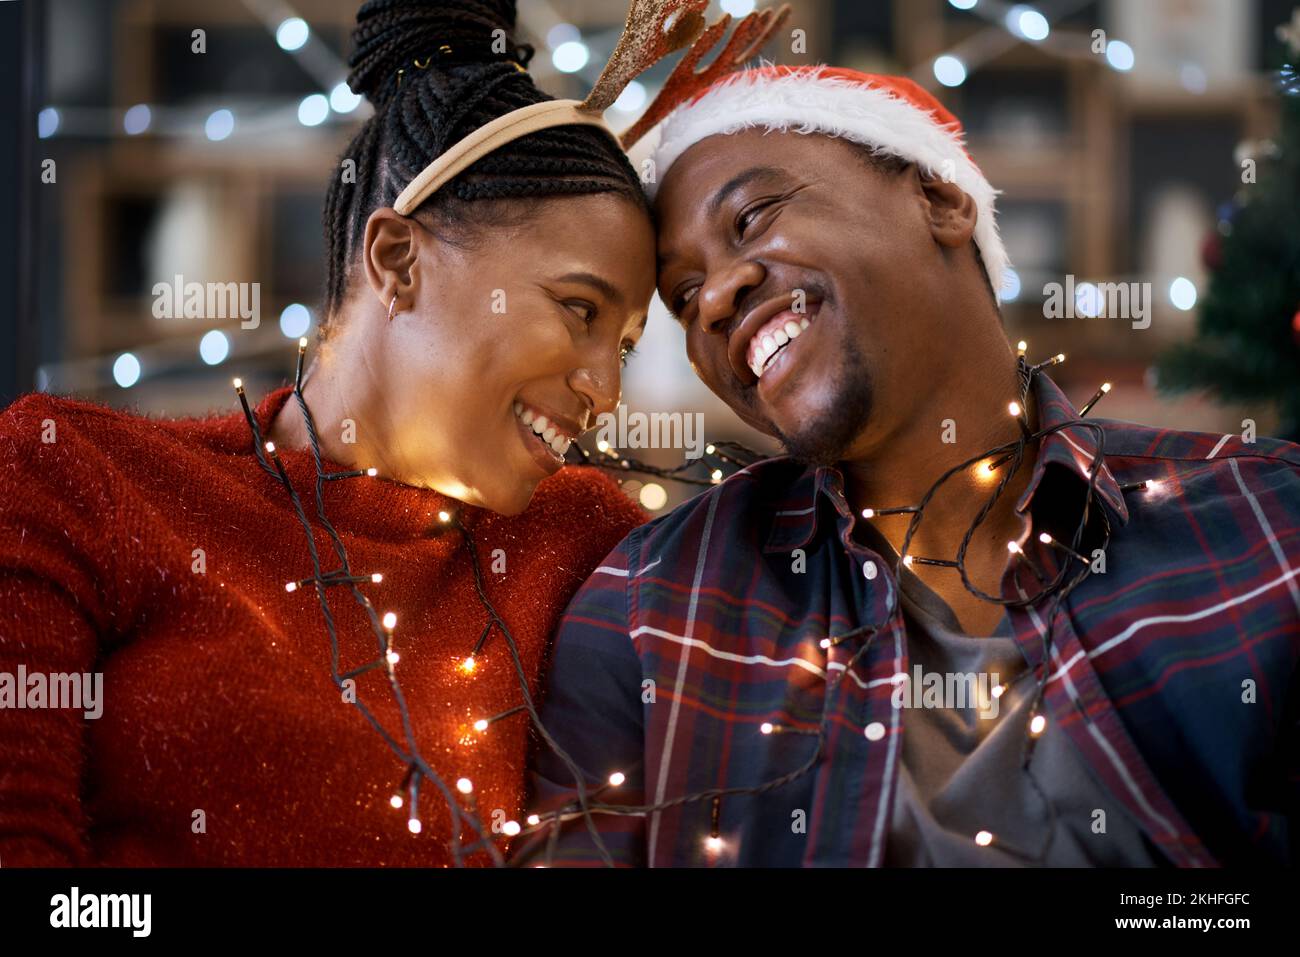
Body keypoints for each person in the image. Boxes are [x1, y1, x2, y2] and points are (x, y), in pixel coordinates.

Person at [525, 64, 1300, 867]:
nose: (715, 298)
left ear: (940, 199)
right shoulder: (650, 612)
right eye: (683, 298)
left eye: (752, 217)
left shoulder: (1271, 526)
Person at [0, 0, 657, 866]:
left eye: (627, 345)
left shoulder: (577, 537)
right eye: (580, 310)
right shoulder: (77, 472)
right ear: (396, 258)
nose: (606, 388)